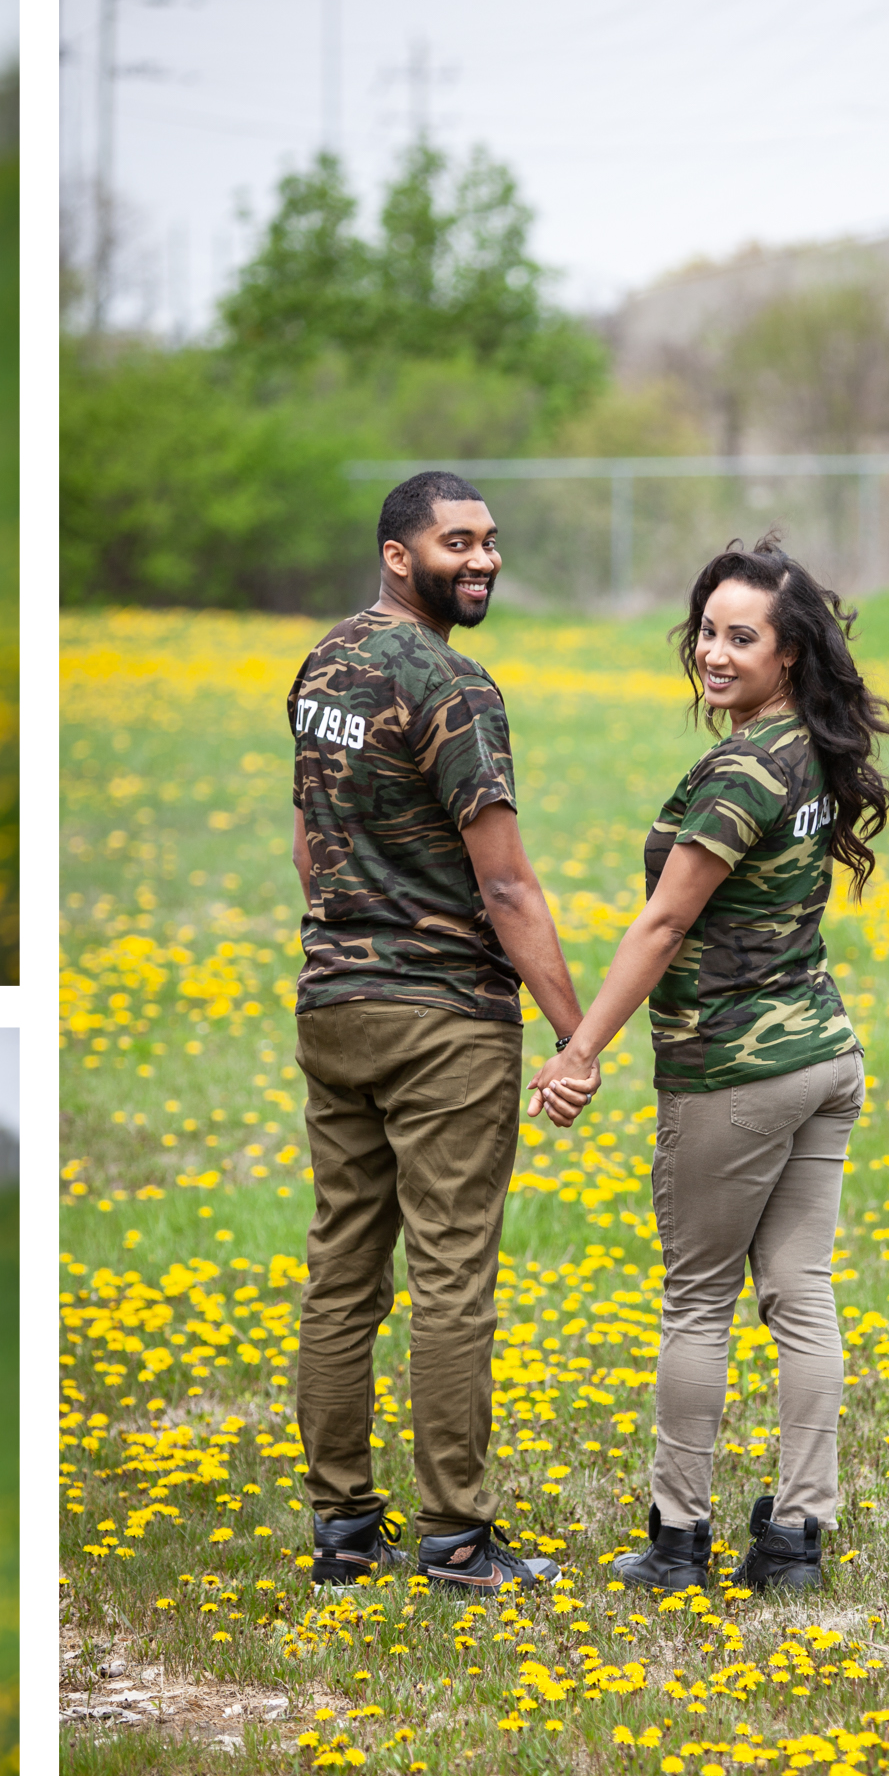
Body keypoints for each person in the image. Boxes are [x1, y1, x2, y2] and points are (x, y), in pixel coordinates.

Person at [532, 537, 889, 1600]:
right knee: (800, 1295)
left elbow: (660, 923)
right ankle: (793, 1538)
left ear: (788, 655)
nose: (713, 652)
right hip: (820, 1054)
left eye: (742, 637)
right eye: (705, 631)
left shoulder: (740, 769)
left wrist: (578, 1050)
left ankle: (676, 1540)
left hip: (734, 1072)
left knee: (696, 1300)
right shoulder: (811, 751)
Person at [287, 470, 590, 1597]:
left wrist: (328, 945)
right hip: (440, 1016)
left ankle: (339, 1527)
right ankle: (456, 1536)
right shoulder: (451, 686)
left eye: (490, 541)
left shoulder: (321, 664)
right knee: (451, 1272)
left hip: (334, 1005)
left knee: (341, 1269)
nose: (482, 560)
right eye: (456, 541)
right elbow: (504, 887)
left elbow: (308, 831)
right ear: (394, 553)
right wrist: (576, 1034)